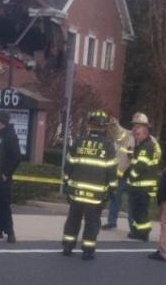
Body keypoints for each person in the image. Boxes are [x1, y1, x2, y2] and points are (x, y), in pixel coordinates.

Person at [62, 110, 118, 260]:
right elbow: (112, 171)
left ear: (89, 124)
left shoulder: (79, 142)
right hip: (96, 195)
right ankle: (87, 250)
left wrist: (66, 184)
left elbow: (68, 166)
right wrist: (112, 189)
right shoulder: (108, 146)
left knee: (73, 219)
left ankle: (68, 246)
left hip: (76, 192)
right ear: (105, 127)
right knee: (92, 222)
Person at [126, 112, 161, 242]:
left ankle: (143, 233)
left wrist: (130, 178)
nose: (135, 130)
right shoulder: (143, 144)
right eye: (134, 127)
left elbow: (140, 166)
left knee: (141, 211)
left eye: (138, 127)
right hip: (141, 185)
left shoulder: (147, 145)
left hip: (142, 185)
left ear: (146, 130)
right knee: (138, 210)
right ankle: (138, 232)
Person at [0, 111, 21, 243]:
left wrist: (6, 173)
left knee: (4, 205)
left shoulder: (10, 136)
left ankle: (10, 232)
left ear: (1, 120)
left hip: (3, 177)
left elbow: (16, 157)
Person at [102, 117, 135, 230]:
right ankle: (112, 222)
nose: (136, 128)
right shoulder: (127, 135)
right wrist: (114, 124)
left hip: (134, 175)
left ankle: (133, 226)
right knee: (115, 198)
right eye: (135, 125)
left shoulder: (147, 140)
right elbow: (118, 131)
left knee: (132, 202)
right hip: (121, 174)